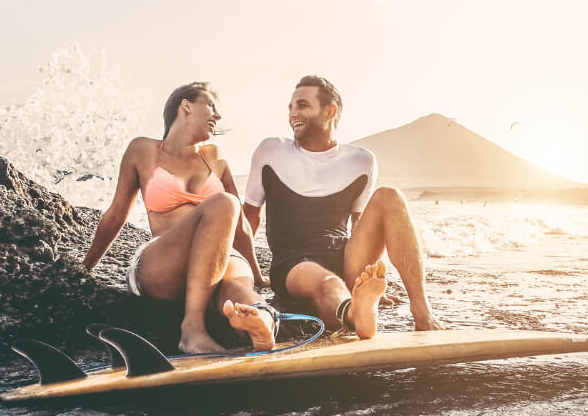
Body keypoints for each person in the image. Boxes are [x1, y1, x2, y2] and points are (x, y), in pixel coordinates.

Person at [242, 75, 442, 339]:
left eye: (302, 106)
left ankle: (422, 312)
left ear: (330, 111)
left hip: (344, 255)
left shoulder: (362, 160)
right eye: (290, 107)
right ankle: (355, 314)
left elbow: (362, 227)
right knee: (327, 283)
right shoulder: (271, 150)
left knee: (390, 196)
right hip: (294, 263)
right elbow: (249, 218)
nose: (292, 114)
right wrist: (252, 276)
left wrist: (370, 276)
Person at [82, 82, 276, 354]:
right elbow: (116, 215)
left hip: (220, 258)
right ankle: (192, 330)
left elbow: (240, 225)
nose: (218, 115)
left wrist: (257, 275)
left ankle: (263, 323)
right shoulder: (143, 150)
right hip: (165, 262)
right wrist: (85, 268)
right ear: (186, 105)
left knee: (240, 293)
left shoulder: (215, 156)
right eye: (211, 105)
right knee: (225, 203)